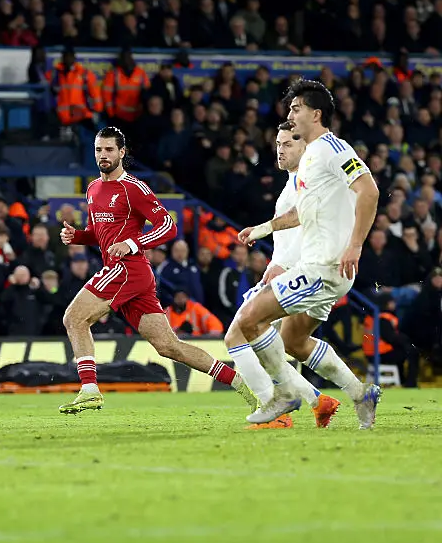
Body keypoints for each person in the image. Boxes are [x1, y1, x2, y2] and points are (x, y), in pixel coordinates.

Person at [59, 127, 259, 414]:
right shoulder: (93, 189)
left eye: (109, 150)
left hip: (127, 269)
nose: (103, 155)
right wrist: (77, 236)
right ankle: (240, 382)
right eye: (99, 150)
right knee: (169, 347)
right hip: (126, 274)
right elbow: (98, 232)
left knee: (74, 318)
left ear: (122, 153)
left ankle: (90, 389)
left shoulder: (134, 188)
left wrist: (131, 243)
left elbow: (168, 226)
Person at [230, 80, 381, 429]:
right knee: (293, 341)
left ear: (316, 113)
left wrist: (355, 243)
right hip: (321, 266)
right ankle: (361, 394)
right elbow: (303, 212)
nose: (290, 115)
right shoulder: (312, 155)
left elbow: (369, 191)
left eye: (296, 109)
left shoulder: (333, 148)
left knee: (250, 319)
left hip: (325, 266)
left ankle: (285, 393)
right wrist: (263, 229)